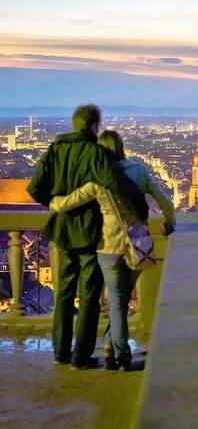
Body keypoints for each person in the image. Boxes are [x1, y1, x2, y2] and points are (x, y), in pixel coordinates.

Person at [27, 104, 149, 369]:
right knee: (89, 296)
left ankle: (60, 352)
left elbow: (34, 187)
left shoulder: (56, 148)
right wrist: (140, 210)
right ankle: (80, 357)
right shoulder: (95, 153)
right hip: (88, 232)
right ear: (94, 126)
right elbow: (117, 185)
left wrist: (55, 203)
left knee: (63, 294)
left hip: (61, 232)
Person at [49, 130, 175, 370]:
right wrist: (170, 225)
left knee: (116, 303)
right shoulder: (138, 171)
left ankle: (118, 352)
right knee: (123, 301)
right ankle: (116, 350)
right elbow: (166, 204)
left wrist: (53, 200)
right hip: (137, 245)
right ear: (120, 146)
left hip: (107, 247)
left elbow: (64, 204)